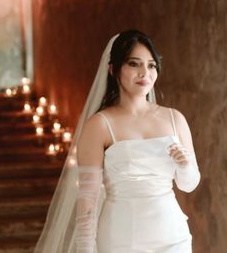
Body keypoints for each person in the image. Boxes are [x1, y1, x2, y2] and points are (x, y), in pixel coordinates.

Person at [35, 30, 200, 253]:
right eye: (134, 64)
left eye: (151, 65)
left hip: (173, 236)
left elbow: (188, 185)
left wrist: (185, 164)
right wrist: (86, 248)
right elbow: (88, 198)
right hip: (122, 238)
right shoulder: (100, 125)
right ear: (114, 69)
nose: (145, 73)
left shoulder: (174, 118)